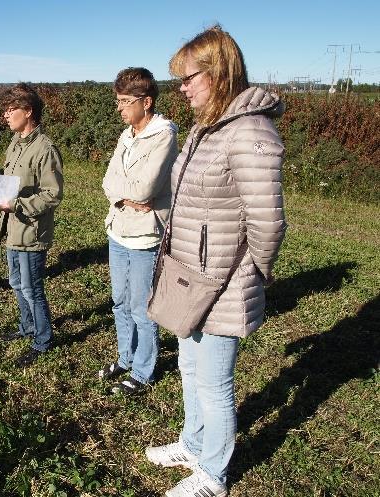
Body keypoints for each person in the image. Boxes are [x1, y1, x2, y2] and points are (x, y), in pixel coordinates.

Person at [144, 26, 287, 497]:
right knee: (189, 366)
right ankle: (193, 443)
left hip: (225, 281)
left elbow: (267, 221)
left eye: (188, 77)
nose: (181, 87)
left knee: (215, 383)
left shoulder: (249, 130)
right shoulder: (209, 126)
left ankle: (213, 476)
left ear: (219, 72)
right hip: (192, 277)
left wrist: (255, 273)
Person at [99, 68, 178, 395]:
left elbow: (146, 189)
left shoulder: (164, 136)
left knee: (141, 306)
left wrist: (131, 194)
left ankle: (144, 372)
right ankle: (126, 356)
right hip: (118, 230)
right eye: (117, 101)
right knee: (119, 301)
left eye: (124, 101)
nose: (119, 108)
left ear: (146, 102)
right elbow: (106, 182)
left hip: (145, 235)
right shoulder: (126, 134)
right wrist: (125, 195)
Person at [0, 83, 63, 367]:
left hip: (30, 231)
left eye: (11, 109)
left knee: (32, 288)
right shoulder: (15, 142)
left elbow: (52, 195)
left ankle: (43, 340)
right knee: (16, 283)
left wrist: (17, 205)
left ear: (28, 112)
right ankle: (27, 327)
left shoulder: (45, 149)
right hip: (12, 228)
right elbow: (15, 182)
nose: (6, 115)